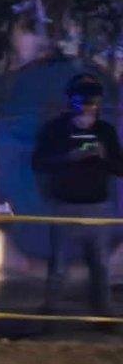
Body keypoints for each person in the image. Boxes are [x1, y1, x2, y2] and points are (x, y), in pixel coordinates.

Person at [32, 72, 123, 317]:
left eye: (92, 101)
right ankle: (50, 312)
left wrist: (103, 155)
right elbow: (39, 162)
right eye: (81, 100)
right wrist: (69, 158)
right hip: (64, 205)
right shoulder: (56, 129)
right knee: (59, 265)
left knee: (100, 264)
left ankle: (102, 312)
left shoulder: (105, 131)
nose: (87, 106)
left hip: (98, 207)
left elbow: (120, 168)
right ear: (71, 100)